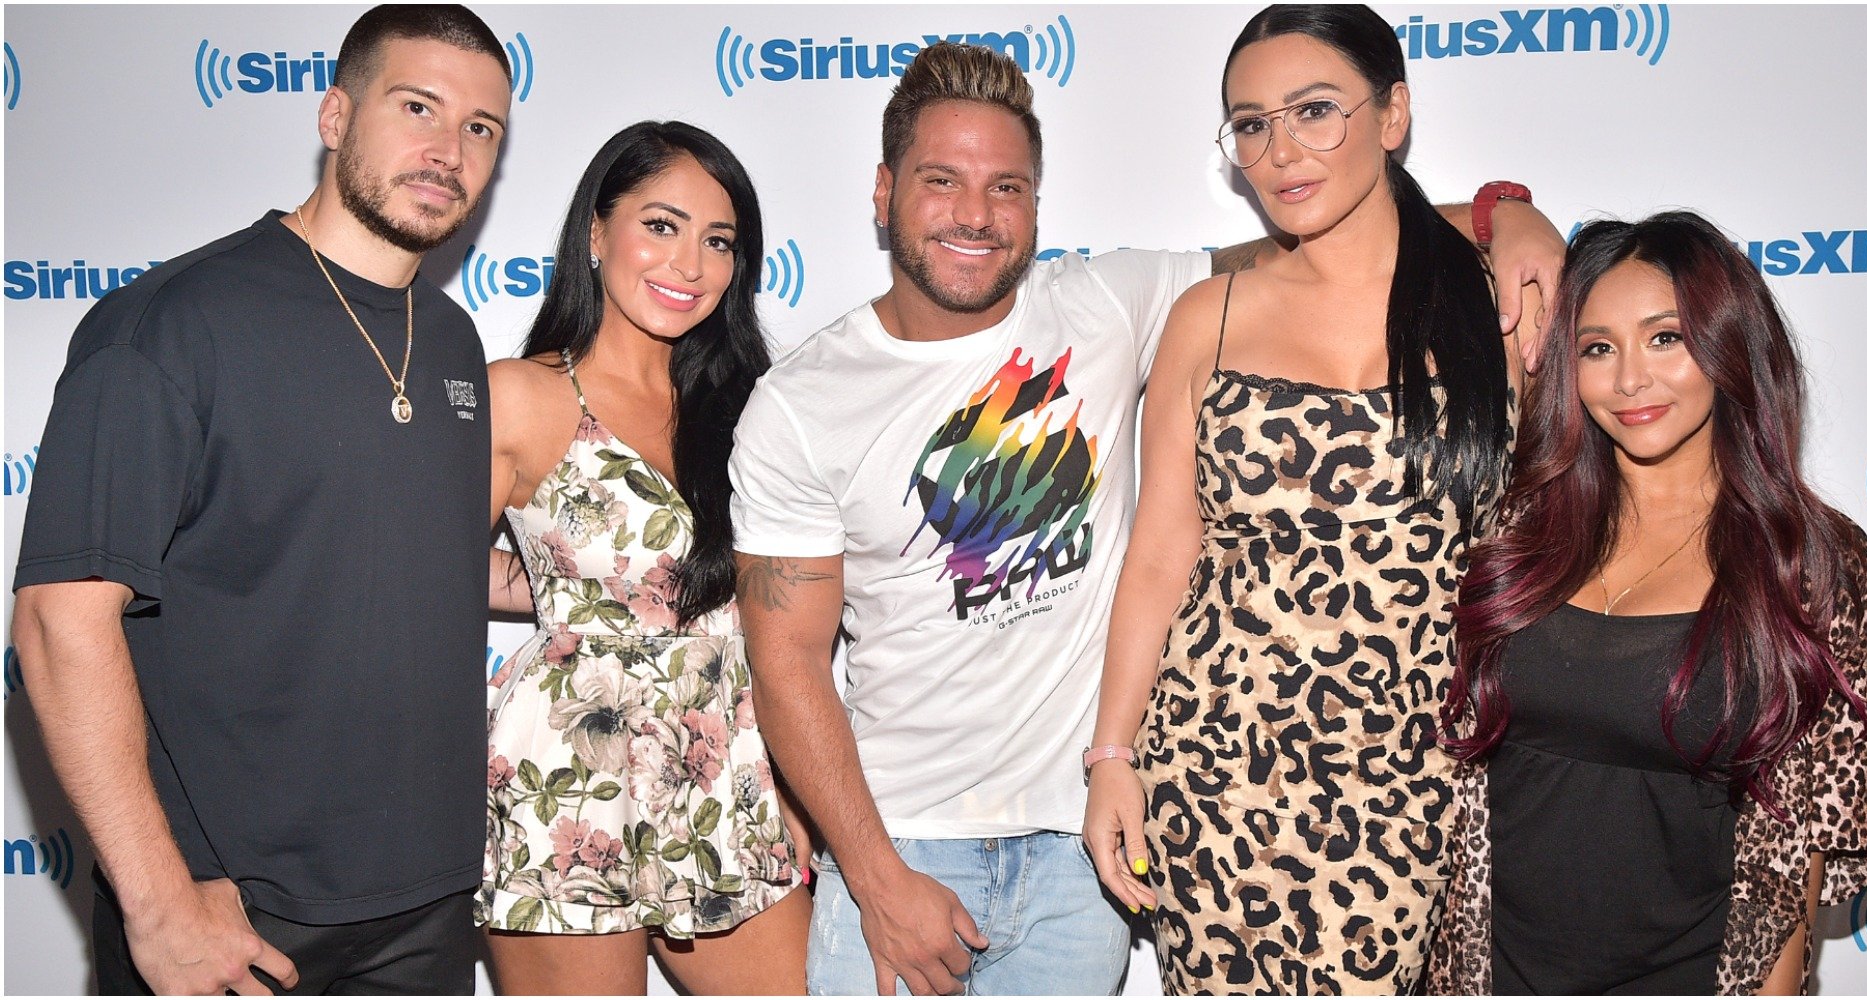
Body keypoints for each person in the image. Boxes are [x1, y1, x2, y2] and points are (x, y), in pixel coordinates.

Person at [728, 39, 1567, 997]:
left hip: (1079, 866)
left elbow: (1334, 236)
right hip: (904, 848)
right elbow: (786, 660)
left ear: (1038, 202)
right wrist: (876, 881)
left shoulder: (1112, 304)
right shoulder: (802, 401)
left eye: (1007, 186)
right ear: (882, 193)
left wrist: (1509, 216)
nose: (975, 213)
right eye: (940, 180)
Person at [9, 5, 511, 994]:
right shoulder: (170, 325)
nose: (447, 149)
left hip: (432, 903)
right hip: (234, 914)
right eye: (418, 106)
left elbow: (399, 561)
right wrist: (161, 901)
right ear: (334, 115)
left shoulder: (452, 341)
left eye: (481, 128)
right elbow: (59, 623)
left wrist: (610, 582)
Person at [1082, 7, 1525, 993]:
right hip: (1220, 764)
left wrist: (1822, 575)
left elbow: (1614, 504)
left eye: (1313, 111)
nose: (1279, 150)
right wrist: (1112, 752)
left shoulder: (1497, 303)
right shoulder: (1210, 316)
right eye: (1249, 124)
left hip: (1429, 776)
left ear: (1392, 113)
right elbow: (1161, 553)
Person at [1424, 212, 1867, 994]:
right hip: (1487, 974)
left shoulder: (1807, 562)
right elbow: (1356, 231)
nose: (1628, 381)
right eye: (1597, 348)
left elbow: (1801, 852)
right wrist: (1503, 209)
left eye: (1665, 338)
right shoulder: (1517, 528)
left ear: (1728, 347)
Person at [477, 120, 809, 995]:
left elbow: (760, 601)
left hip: (723, 761)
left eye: (718, 241)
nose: (688, 265)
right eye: (660, 226)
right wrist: (564, 598)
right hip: (565, 773)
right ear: (596, 231)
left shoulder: (752, 405)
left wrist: (788, 782)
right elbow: (419, 580)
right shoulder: (521, 397)